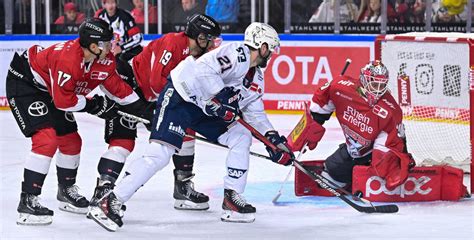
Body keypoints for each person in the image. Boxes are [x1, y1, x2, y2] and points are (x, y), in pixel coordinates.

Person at [88, 22, 291, 231]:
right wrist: (221, 96)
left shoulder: (256, 77)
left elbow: (255, 113)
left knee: (241, 136)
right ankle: (111, 201)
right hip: (180, 97)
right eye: (271, 49)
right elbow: (203, 69)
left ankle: (232, 198)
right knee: (160, 154)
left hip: (205, 108)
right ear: (263, 46)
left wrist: (273, 141)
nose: (271, 55)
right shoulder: (237, 53)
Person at [5, 18, 148, 225]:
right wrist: (94, 106)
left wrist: (146, 112)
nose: (112, 46)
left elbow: (118, 88)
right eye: (107, 43)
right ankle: (28, 200)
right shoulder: (68, 59)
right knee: (46, 140)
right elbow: (64, 102)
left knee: (71, 141)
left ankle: (66, 192)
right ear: (93, 46)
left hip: (52, 90)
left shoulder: (104, 59)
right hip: (26, 84)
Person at [89, 14, 222, 213]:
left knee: (185, 130)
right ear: (198, 36)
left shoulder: (201, 56)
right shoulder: (173, 42)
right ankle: (103, 189)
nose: (211, 44)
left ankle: (182, 186)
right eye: (208, 39)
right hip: (130, 87)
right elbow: (155, 81)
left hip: (155, 97)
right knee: (123, 140)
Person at [305, 60, 414, 191]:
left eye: (382, 85)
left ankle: (369, 173)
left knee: (382, 170)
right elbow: (321, 101)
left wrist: (385, 167)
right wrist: (314, 123)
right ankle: (351, 179)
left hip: (375, 152)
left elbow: (391, 143)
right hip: (355, 149)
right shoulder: (341, 87)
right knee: (331, 170)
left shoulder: (390, 110)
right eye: (374, 84)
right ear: (363, 80)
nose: (378, 90)